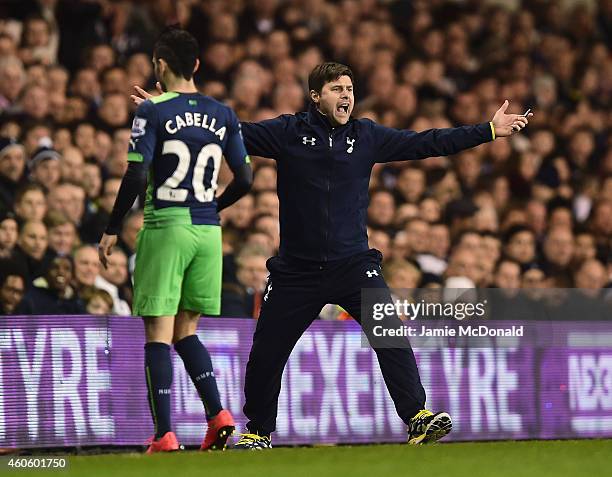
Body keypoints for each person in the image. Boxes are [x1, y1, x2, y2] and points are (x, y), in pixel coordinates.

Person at [134, 61, 531, 449]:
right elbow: (227, 131)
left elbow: (427, 142)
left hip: (354, 264)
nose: (347, 96)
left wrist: (490, 130)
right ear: (315, 96)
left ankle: (417, 417)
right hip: (296, 271)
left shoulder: (368, 136)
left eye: (350, 90)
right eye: (338, 89)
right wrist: (164, 110)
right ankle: (258, 431)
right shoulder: (288, 132)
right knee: (267, 353)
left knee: (389, 333)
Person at [99, 27, 253, 454]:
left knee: (158, 333)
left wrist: (112, 227)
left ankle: (164, 434)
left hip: (166, 226)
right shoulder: (223, 113)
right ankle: (218, 415)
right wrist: (213, 207)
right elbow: (245, 178)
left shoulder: (152, 111)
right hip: (208, 232)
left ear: (160, 65)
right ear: (198, 66)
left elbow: (135, 173)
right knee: (187, 330)